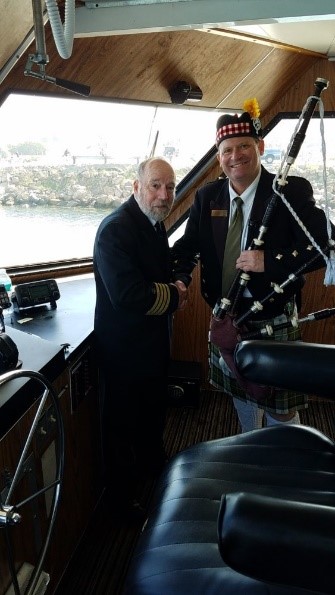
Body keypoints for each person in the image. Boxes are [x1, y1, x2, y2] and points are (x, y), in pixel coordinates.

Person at [172, 101, 334, 433]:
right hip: (225, 316)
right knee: (240, 396)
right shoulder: (208, 197)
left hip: (272, 314)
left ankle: (288, 460)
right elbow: (189, 248)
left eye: (244, 145)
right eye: (227, 149)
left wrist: (269, 261)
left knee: (280, 405)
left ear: (259, 146)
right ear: (219, 156)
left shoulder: (289, 191)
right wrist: (179, 278)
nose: (236, 155)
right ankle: (250, 440)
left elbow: (325, 246)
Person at [93, 157, 188, 519]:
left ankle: (154, 469)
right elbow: (130, 295)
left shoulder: (153, 223)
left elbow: (159, 270)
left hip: (150, 344)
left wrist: (180, 277)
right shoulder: (116, 229)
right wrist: (176, 295)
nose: (164, 195)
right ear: (136, 187)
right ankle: (120, 502)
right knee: (121, 426)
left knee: (151, 411)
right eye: (155, 185)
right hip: (124, 350)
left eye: (170, 186)